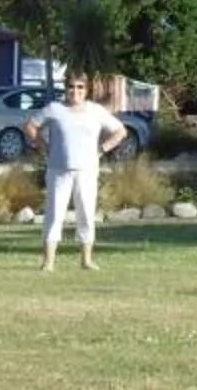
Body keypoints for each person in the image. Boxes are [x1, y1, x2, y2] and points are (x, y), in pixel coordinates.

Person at [32, 77, 130, 272]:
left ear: (86, 90)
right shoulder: (54, 109)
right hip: (58, 171)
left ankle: (86, 260)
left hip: (86, 171)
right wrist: (44, 147)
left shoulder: (95, 110)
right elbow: (30, 125)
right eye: (71, 87)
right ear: (65, 88)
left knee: (86, 214)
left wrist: (103, 148)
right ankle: (48, 262)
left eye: (80, 87)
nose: (75, 91)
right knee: (54, 215)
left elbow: (120, 131)